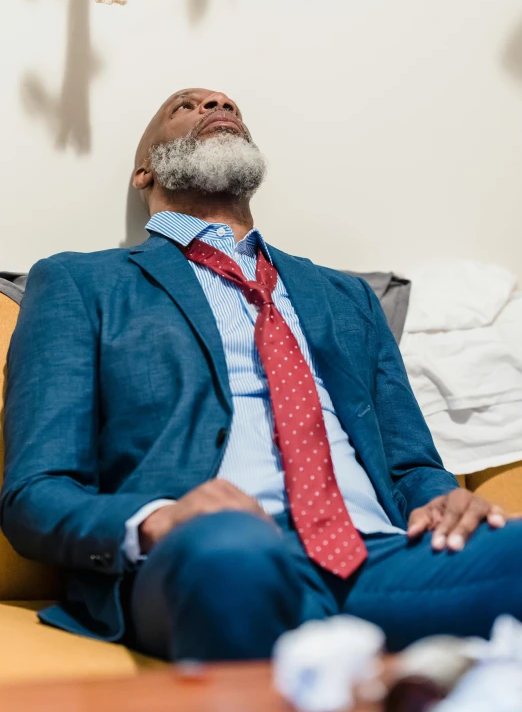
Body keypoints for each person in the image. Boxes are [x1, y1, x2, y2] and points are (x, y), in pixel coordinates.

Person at [2, 88, 521, 661]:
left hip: (379, 555)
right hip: (214, 552)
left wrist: (445, 498)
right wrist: (156, 519)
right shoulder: (80, 283)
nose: (215, 104)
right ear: (143, 171)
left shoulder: (346, 296)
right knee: (232, 553)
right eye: (186, 106)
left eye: (227, 106)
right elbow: (36, 493)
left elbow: (411, 463)